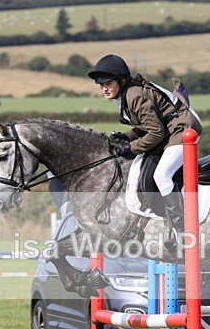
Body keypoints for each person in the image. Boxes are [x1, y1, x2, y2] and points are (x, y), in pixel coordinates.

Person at [87, 54, 203, 253]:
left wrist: (130, 148)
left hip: (183, 130)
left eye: (108, 83)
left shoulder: (134, 95)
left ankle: (182, 231)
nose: (104, 88)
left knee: (161, 175)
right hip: (170, 129)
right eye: (101, 85)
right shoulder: (127, 94)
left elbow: (156, 132)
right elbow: (146, 127)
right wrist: (126, 137)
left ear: (121, 81)